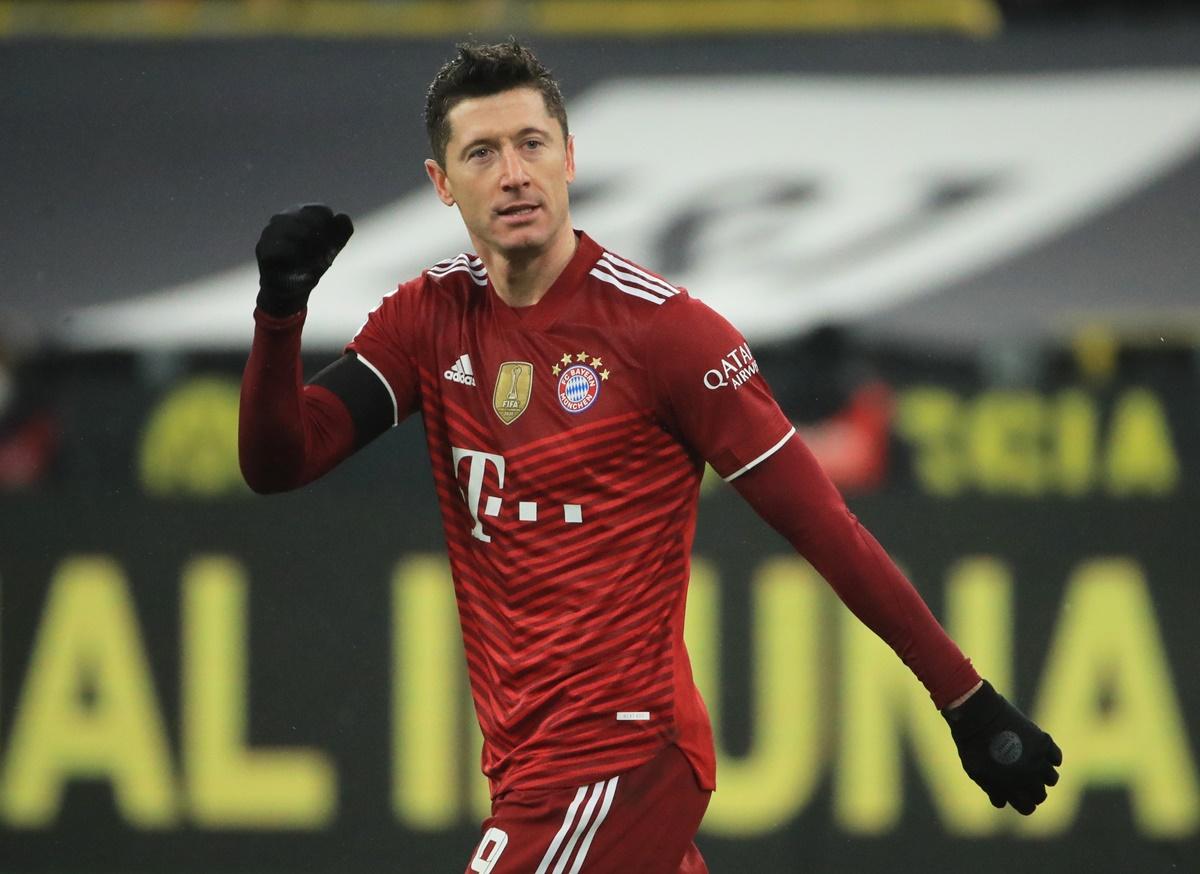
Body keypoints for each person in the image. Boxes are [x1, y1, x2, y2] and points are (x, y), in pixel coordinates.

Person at [239, 41, 1061, 874]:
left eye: (531, 143)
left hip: (619, 754)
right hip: (529, 764)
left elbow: (826, 527)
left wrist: (966, 699)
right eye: (481, 153)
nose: (514, 172)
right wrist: (280, 315)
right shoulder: (428, 318)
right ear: (441, 184)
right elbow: (282, 461)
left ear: (569, 156)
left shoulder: (665, 333)